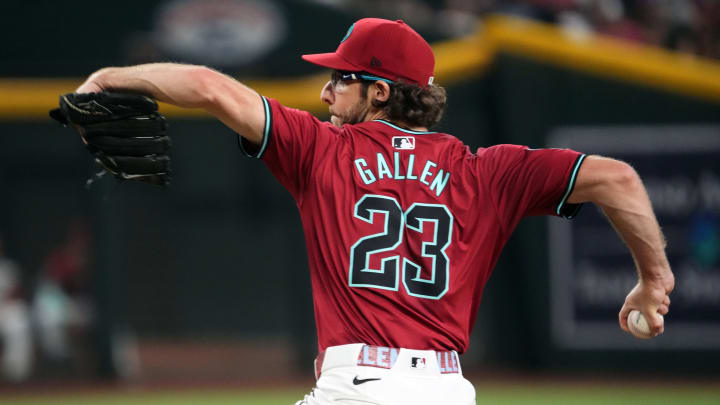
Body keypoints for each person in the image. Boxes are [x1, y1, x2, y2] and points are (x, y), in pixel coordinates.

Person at [75, 18, 674, 405]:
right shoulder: (485, 171)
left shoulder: (320, 148)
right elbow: (616, 178)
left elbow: (209, 86)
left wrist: (108, 77)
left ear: (379, 91)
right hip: (447, 390)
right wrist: (654, 279)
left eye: (340, 79)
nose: (326, 92)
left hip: (359, 385)